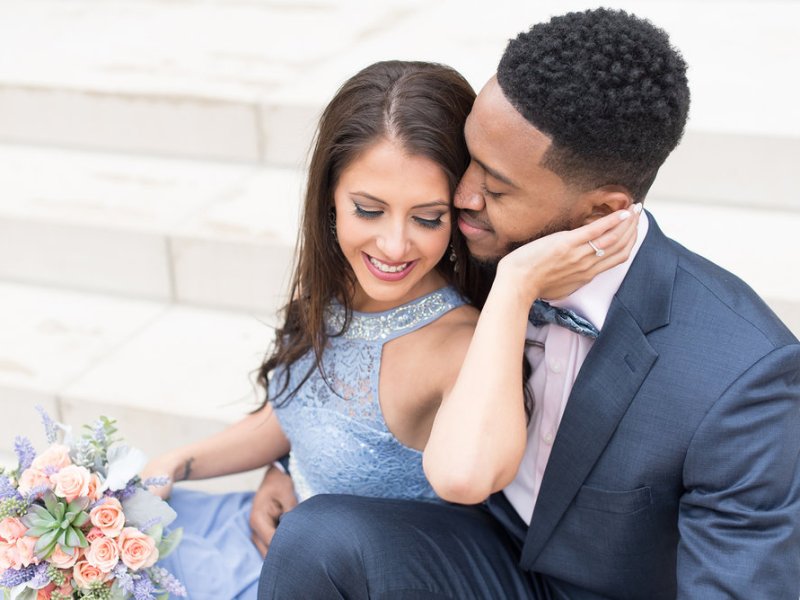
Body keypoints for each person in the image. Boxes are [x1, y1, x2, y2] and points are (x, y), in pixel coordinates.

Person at [256, 9, 800, 599]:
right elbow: (360, 357)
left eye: (495, 187)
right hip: (482, 547)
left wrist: (515, 285)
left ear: (599, 212)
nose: (461, 197)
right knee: (315, 539)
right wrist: (292, 464)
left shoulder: (744, 379)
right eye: (470, 159)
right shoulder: (473, 243)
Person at [141, 60, 637, 599]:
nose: (395, 247)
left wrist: (513, 290)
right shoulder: (331, 291)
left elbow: (470, 479)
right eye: (369, 210)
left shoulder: (463, 345)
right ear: (330, 198)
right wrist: (181, 463)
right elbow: (290, 416)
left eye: (427, 218)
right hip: (267, 538)